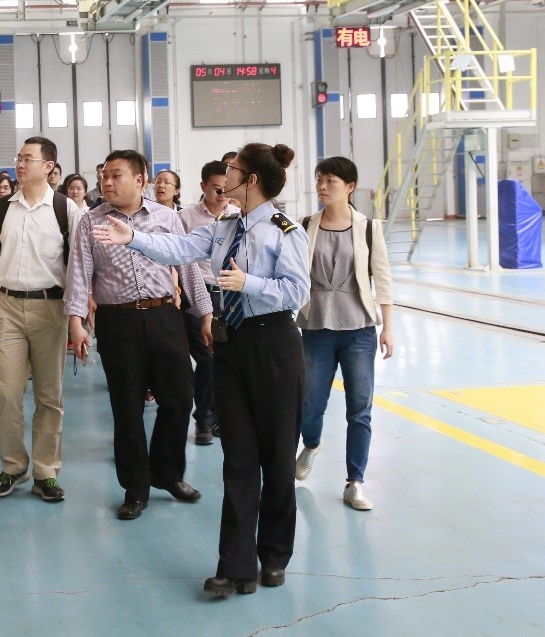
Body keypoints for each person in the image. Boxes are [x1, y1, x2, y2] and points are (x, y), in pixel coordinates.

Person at [93, 143, 309, 596]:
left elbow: (297, 291)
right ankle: (235, 565)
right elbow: (179, 247)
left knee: (277, 456)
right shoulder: (224, 227)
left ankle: (274, 555)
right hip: (232, 347)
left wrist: (249, 283)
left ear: (251, 179)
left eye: (233, 169)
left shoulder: (284, 230)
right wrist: (134, 239)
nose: (225, 175)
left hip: (273, 344)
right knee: (239, 459)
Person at [67, 149, 211, 521]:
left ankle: (167, 473)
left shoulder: (167, 217)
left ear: (140, 180)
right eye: (104, 175)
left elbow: (188, 266)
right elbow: (79, 273)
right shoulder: (91, 221)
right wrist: (76, 321)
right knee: (127, 407)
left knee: (179, 398)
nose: (107, 181)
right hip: (117, 322)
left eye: (116, 175)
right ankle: (135, 488)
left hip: (164, 315)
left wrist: (205, 312)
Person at [0, 137, 79, 503]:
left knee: (49, 395)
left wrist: (78, 318)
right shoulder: (4, 208)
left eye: (28, 159)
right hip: (7, 307)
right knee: (7, 392)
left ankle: (45, 471)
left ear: (49, 166)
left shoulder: (66, 209)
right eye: (18, 157)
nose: (20, 164)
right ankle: (13, 465)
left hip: (51, 309)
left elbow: (78, 268)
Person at [295, 156, 394, 511]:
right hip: (316, 325)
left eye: (331, 181)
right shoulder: (305, 225)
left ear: (350, 187)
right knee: (309, 405)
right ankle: (311, 444)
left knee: (360, 408)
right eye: (320, 180)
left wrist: (388, 328)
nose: (322, 187)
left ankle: (355, 481)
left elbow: (383, 279)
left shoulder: (369, 228)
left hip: (359, 329)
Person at [176, 161, 239, 446]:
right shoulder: (186, 218)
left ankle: (222, 417)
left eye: (226, 189)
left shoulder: (237, 216)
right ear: (203, 186)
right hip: (199, 294)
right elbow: (178, 257)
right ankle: (203, 419)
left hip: (231, 294)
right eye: (216, 189)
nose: (222, 194)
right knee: (206, 358)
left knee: (228, 360)